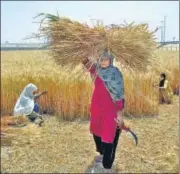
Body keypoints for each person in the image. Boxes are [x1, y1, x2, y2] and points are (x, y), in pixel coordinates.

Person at [82, 51, 125, 173]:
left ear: (111, 60)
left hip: (110, 108)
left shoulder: (115, 74)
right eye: (101, 60)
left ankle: (107, 164)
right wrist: (82, 46)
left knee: (108, 135)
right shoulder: (97, 71)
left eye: (106, 59)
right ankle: (101, 154)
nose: (103, 62)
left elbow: (119, 94)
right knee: (97, 131)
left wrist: (119, 114)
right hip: (97, 108)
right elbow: (85, 61)